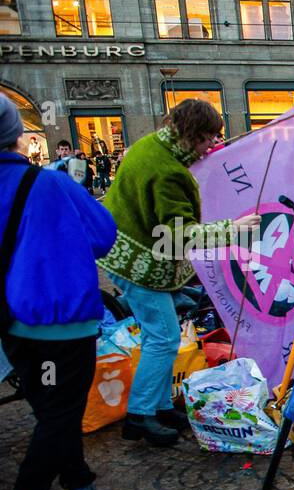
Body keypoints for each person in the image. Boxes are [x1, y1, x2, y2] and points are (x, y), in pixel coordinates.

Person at [99, 99, 260, 446]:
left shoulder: (152, 145)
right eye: (207, 139)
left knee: (159, 334)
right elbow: (179, 233)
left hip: (127, 253)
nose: (211, 147)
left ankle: (157, 406)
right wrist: (234, 228)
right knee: (164, 337)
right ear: (191, 135)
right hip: (139, 263)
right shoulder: (167, 171)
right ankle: (140, 415)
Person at [0, 95, 124, 490]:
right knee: (60, 414)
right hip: (56, 317)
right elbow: (103, 234)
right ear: (16, 134)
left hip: (9, 323)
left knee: (54, 410)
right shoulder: (47, 183)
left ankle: (83, 489)